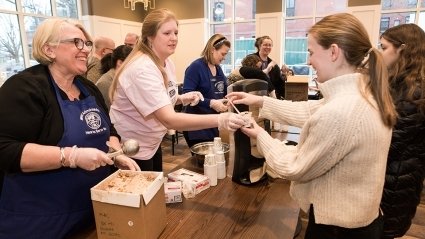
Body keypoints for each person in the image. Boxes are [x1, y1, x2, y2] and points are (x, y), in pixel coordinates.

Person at [227, 13, 397, 239]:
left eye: (311, 52)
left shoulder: (341, 111)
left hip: (339, 230)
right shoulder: (362, 93)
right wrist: (259, 101)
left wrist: (259, 134)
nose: (308, 61)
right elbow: (311, 111)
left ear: (334, 52)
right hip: (362, 220)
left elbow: (294, 166)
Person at [0, 19, 139, 239]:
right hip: (41, 222)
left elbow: (109, 129)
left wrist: (114, 151)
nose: (85, 50)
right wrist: (70, 156)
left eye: (87, 44)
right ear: (49, 49)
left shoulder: (88, 88)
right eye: (77, 43)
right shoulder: (25, 88)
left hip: (93, 214)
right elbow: (6, 151)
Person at [109, 9, 245, 172]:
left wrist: (181, 98)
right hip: (131, 148)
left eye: (175, 32)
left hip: (151, 143)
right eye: (167, 33)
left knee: (156, 190)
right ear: (150, 36)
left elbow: (160, 98)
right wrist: (221, 119)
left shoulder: (167, 63)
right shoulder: (142, 69)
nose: (173, 38)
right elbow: (169, 119)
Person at [379, 23, 425, 239]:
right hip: (394, 177)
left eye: (384, 47)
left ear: (402, 49)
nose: (380, 53)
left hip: (395, 181)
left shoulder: (414, 90)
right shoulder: (403, 82)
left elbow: (391, 139)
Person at [182, 34, 231, 149]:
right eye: (223, 54)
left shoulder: (218, 68)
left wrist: (227, 99)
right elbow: (187, 95)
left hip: (213, 123)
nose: (224, 58)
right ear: (213, 49)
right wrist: (211, 103)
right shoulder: (196, 67)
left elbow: (223, 90)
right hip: (196, 126)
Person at [96, 44, 133, 110]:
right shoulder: (105, 83)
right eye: (132, 63)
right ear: (120, 63)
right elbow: (106, 111)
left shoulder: (122, 79)